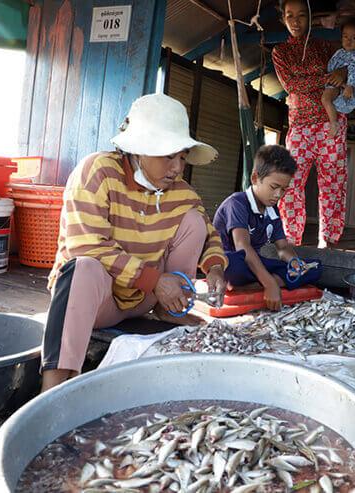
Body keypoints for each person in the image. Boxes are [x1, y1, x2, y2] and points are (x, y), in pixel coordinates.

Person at [40, 93, 228, 392]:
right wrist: (153, 280)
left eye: (182, 157)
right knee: (83, 267)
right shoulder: (98, 172)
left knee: (193, 220)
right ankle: (52, 386)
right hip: (98, 303)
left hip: (145, 300)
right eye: (169, 155)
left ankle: (172, 309)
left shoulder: (182, 193)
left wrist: (216, 267)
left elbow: (209, 234)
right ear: (140, 149)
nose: (178, 168)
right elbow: (85, 245)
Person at [272, 0, 349, 249]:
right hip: (300, 126)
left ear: (310, 18)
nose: (296, 21)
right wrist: (327, 78)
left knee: (333, 183)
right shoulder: (280, 52)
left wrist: (341, 75)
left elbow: (344, 71)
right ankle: (291, 241)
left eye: (302, 15)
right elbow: (291, 86)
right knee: (290, 182)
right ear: (283, 18)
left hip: (331, 124)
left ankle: (328, 240)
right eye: (290, 16)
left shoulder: (325, 46)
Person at [213, 145, 322, 311]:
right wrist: (270, 283)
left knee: (314, 267)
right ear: (255, 178)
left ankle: (252, 285)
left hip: (254, 265)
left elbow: (283, 247)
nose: (278, 194)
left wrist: (294, 262)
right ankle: (267, 281)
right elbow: (242, 246)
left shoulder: (273, 211)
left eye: (284, 189)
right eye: (274, 187)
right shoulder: (237, 203)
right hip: (231, 263)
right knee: (232, 263)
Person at [322, 17, 355, 138]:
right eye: (345, 36)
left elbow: (353, 70)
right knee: (327, 100)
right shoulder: (341, 52)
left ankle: (334, 123)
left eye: (354, 38)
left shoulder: (353, 56)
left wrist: (350, 85)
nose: (349, 41)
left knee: (325, 100)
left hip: (339, 84)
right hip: (336, 82)